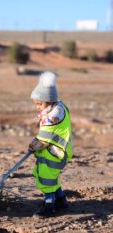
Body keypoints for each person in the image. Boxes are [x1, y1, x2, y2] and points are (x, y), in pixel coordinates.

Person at [28, 71, 73, 217]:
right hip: (60, 150)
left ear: (49, 101)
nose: (38, 107)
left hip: (54, 153)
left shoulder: (52, 118)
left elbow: (44, 140)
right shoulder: (60, 107)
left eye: (40, 104)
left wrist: (33, 146)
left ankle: (49, 206)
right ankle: (61, 200)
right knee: (52, 177)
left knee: (46, 179)